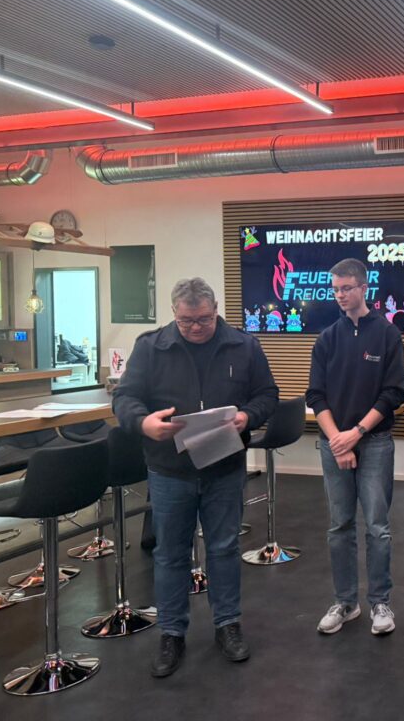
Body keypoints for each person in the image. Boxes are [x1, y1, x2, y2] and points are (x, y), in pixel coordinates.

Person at [113, 277, 278, 678]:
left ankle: (228, 624)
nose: (196, 328)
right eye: (186, 321)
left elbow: (267, 394)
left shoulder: (243, 345)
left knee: (223, 548)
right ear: (174, 313)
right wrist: (144, 422)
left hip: (224, 466)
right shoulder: (151, 347)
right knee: (171, 553)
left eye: (204, 319)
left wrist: (247, 416)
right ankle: (171, 633)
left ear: (216, 309)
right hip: (170, 469)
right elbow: (125, 397)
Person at [307, 258, 404, 636]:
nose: (340, 295)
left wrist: (357, 433)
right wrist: (339, 440)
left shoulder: (387, 335)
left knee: (377, 527)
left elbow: (393, 393)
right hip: (334, 444)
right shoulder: (327, 338)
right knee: (340, 525)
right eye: (335, 289)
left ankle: (380, 602)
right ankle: (345, 602)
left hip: (375, 442)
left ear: (365, 288)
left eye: (347, 288)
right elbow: (316, 395)